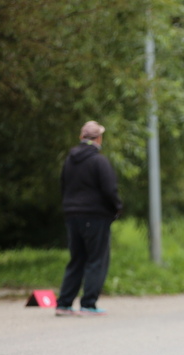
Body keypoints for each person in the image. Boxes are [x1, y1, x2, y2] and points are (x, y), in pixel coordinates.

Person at [55, 121, 123, 316]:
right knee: (96, 259)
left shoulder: (69, 160)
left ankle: (64, 304)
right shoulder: (99, 161)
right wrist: (117, 208)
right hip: (95, 216)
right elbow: (110, 189)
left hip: (72, 215)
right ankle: (88, 304)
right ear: (99, 138)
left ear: (81, 138)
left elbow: (63, 186)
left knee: (76, 259)